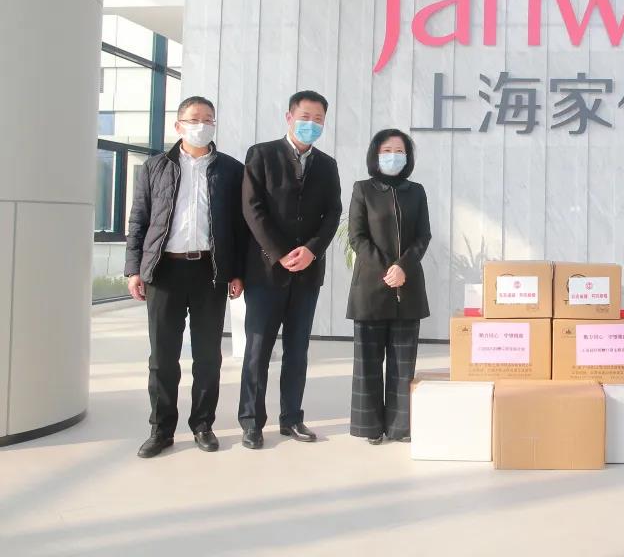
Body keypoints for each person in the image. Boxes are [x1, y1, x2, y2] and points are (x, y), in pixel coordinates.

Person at [124, 96, 247, 458]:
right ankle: (161, 429)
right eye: (194, 119)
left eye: (208, 119)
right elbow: (139, 219)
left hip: (210, 271)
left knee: (208, 356)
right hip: (165, 271)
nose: (202, 125)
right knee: (163, 357)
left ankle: (203, 424)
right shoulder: (155, 167)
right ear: (178, 125)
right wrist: (134, 268)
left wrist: (237, 272)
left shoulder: (231, 169)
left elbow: (239, 227)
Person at [238, 90, 342, 449]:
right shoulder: (261, 155)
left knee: (297, 351)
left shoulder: (327, 165)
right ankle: (252, 421)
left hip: (307, 273)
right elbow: (252, 209)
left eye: (318, 119)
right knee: (258, 350)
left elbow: (333, 213)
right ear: (289, 117)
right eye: (305, 117)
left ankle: (292, 418)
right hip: (266, 272)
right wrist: (280, 253)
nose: (311, 124)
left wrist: (312, 250)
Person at [346, 129, 431, 445]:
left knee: (402, 363)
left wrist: (403, 267)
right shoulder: (363, 189)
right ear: (375, 154)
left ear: (407, 157)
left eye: (399, 150)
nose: (393, 156)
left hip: (407, 288)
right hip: (370, 288)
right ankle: (369, 426)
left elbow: (423, 236)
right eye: (387, 150)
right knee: (368, 363)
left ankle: (399, 426)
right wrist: (387, 269)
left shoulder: (416, 191)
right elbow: (357, 237)